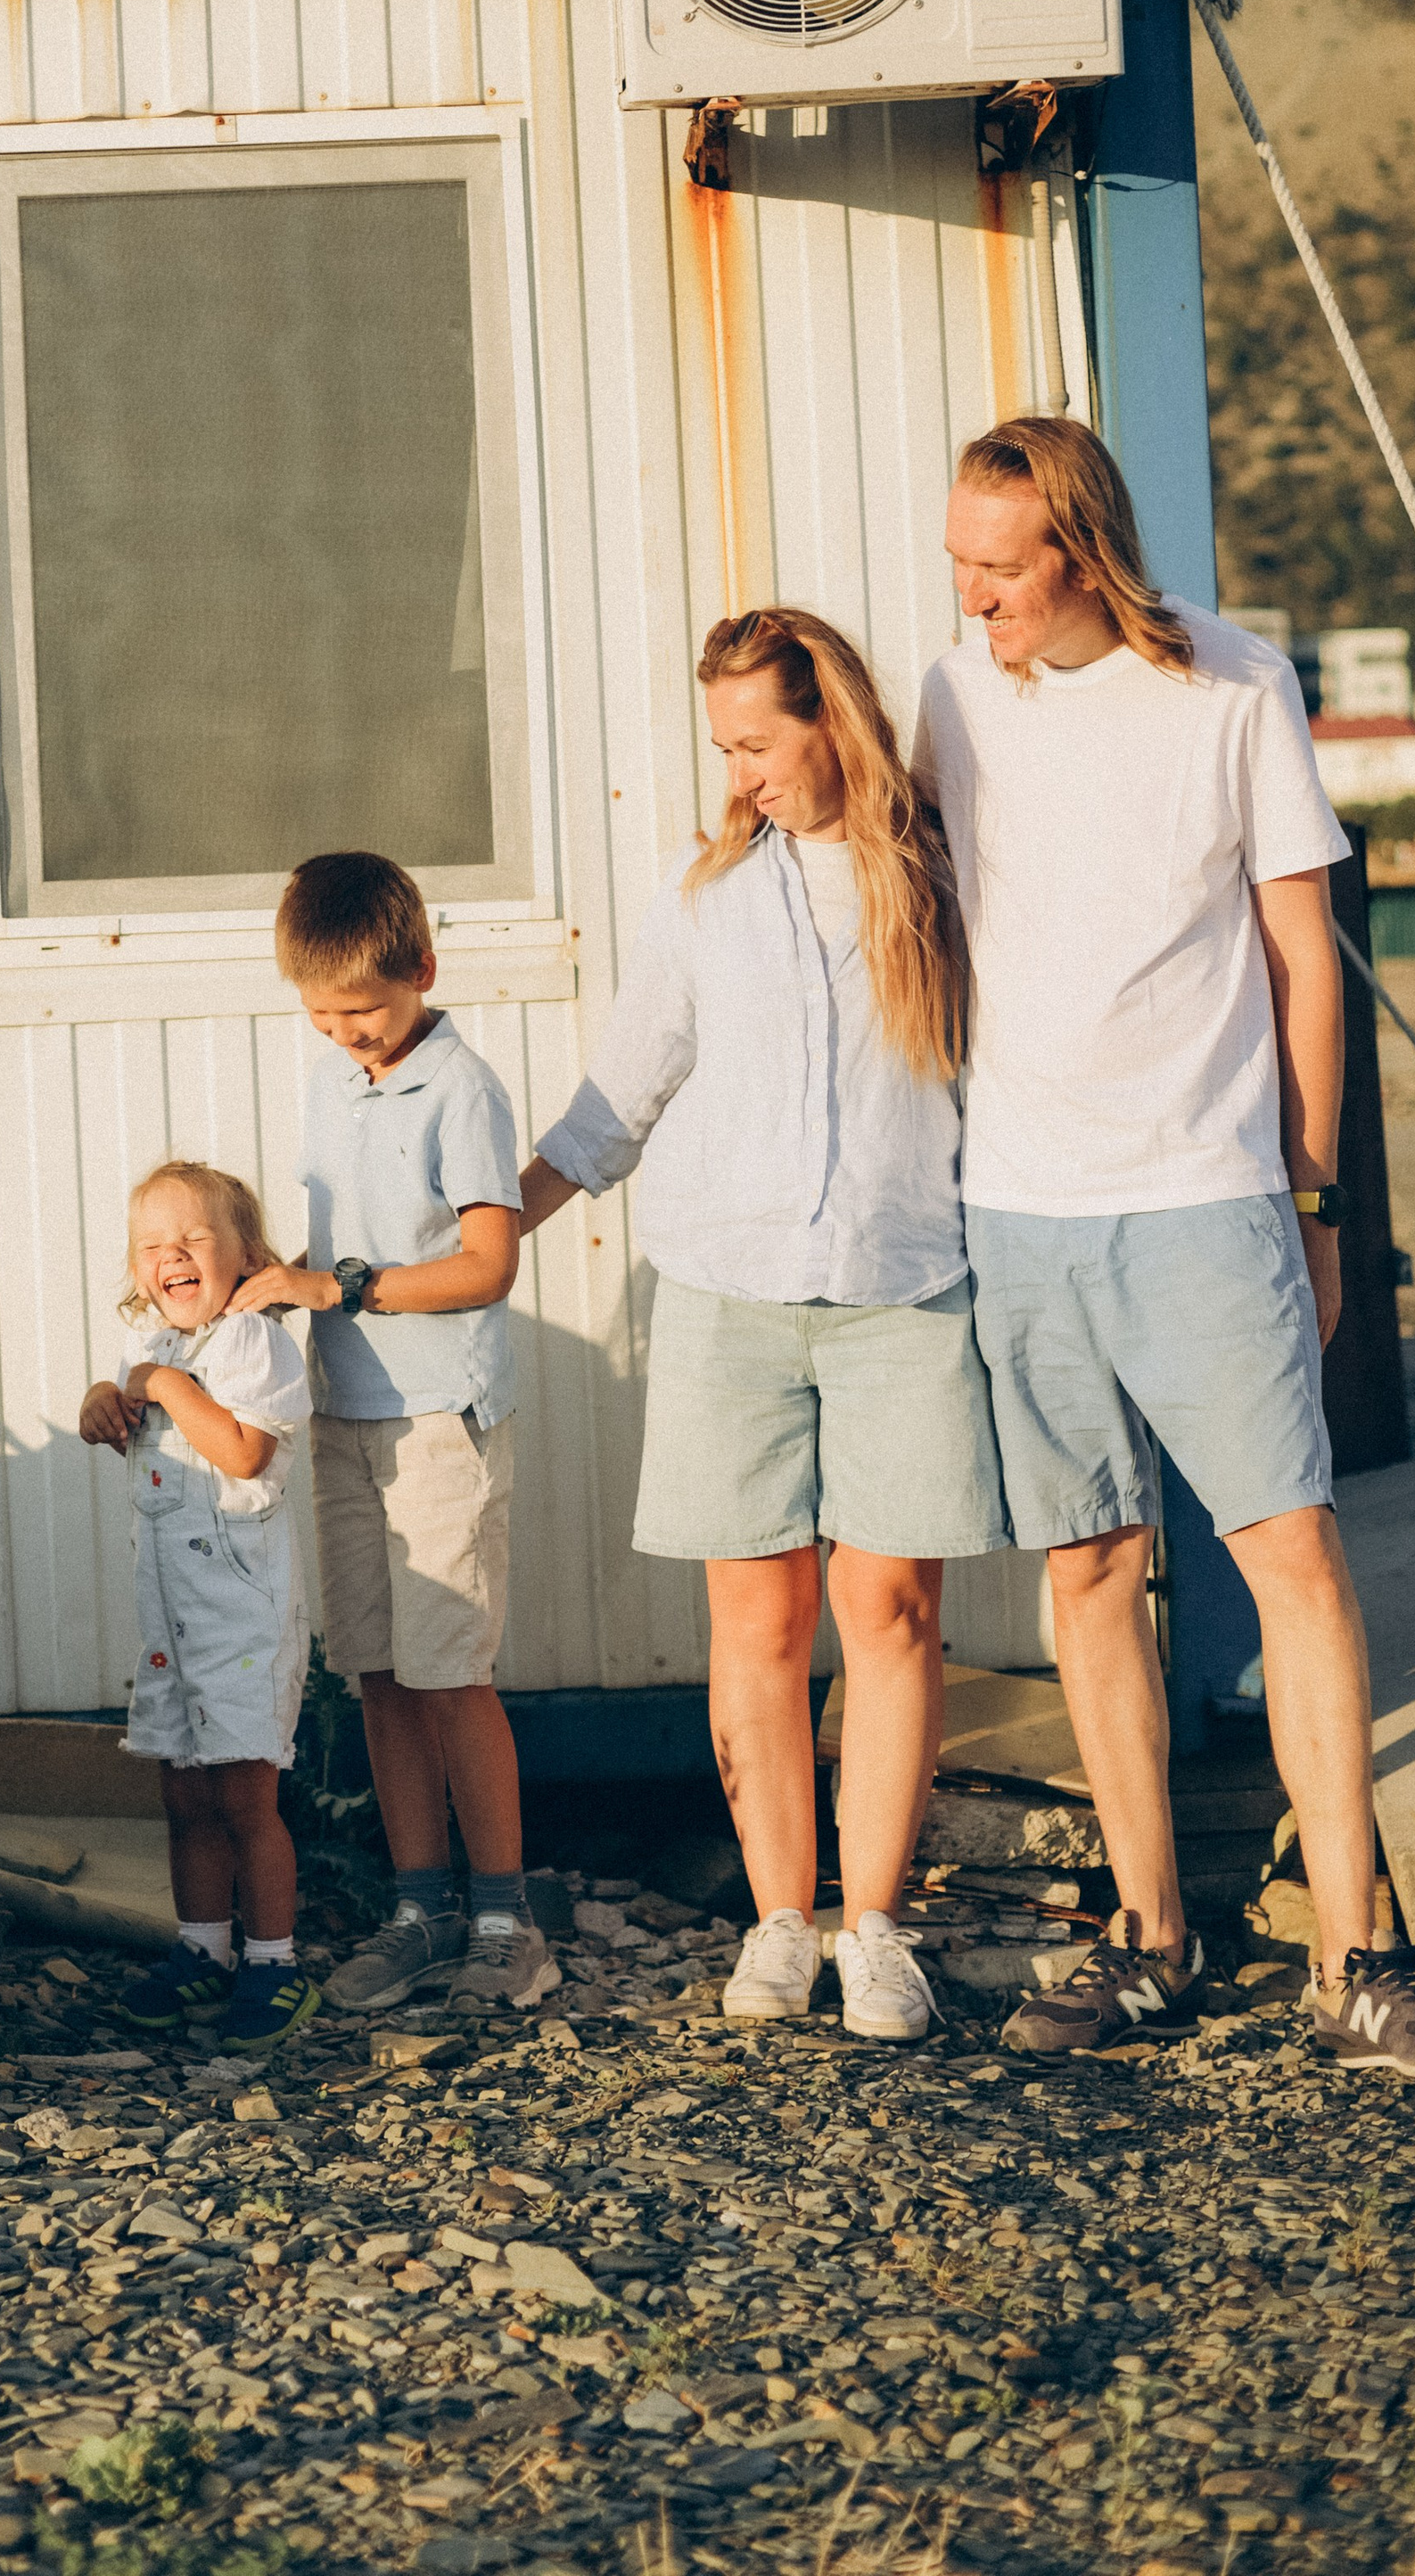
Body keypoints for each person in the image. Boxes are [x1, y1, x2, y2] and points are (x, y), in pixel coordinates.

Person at [920, 414, 1415, 2077]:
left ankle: (1361, 1954)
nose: (974, 600)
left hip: (1209, 1196)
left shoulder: (1237, 686)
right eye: (960, 566)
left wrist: (1313, 1199)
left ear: (1081, 552)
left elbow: (1307, 957)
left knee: (1289, 1555)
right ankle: (1150, 1936)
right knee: (1088, 1571)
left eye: (998, 571)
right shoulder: (955, 696)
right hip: (1022, 1205)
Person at [521, 609, 1008, 2042]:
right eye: (723, 747)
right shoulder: (709, 897)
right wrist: (500, 1217)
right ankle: (781, 1922)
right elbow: (626, 1089)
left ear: (828, 718)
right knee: (758, 1618)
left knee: (891, 1612)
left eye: (758, 742)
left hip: (906, 1290)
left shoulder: (935, 874)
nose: (740, 775)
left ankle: (878, 1930)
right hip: (726, 1295)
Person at [225, 850, 555, 2014]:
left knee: (451, 1672)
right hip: (344, 1412)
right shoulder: (330, 1078)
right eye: (320, 1015)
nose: (344, 1033)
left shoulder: (462, 1087)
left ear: (421, 968)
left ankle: (508, 1920)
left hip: (437, 1421)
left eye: (362, 1009)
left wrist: (342, 1290)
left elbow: (487, 1260)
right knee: (377, 1673)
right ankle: (420, 1910)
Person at [78, 1160, 321, 2050]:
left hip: (241, 1625)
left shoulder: (251, 1340)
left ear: (244, 1256)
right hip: (171, 1627)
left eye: (192, 1240)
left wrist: (166, 1389)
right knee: (184, 1798)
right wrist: (106, 1400)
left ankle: (274, 1962)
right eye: (152, 1246)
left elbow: (243, 1453)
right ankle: (201, 1950)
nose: (170, 1257)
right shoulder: (158, 1352)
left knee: (246, 1800)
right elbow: (129, 1417)